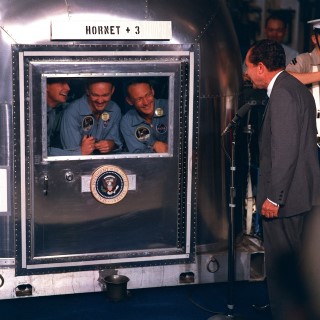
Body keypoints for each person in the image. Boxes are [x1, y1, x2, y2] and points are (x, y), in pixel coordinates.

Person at [244, 39, 320, 320]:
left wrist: (274, 197)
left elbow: (285, 151)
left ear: (261, 67)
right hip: (302, 194)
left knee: (281, 268)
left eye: (250, 67)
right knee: (301, 269)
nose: (248, 73)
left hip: (286, 199)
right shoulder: (295, 88)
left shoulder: (283, 94)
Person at [60, 78, 122, 155]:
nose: (100, 101)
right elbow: (70, 152)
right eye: (95, 95)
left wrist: (112, 145)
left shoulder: (115, 109)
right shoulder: (72, 112)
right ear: (87, 91)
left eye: (105, 95)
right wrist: (82, 149)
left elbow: (117, 142)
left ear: (112, 91)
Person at [120, 78, 168, 153]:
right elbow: (137, 154)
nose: (145, 102)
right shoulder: (127, 121)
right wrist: (154, 147)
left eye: (148, 95)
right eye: (139, 99)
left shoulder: (170, 107)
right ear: (129, 101)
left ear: (152, 91)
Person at [46, 78, 70, 156]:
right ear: (46, 86)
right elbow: (39, 152)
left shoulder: (57, 109)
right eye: (62, 83)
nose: (68, 88)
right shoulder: (35, 113)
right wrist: (79, 152)